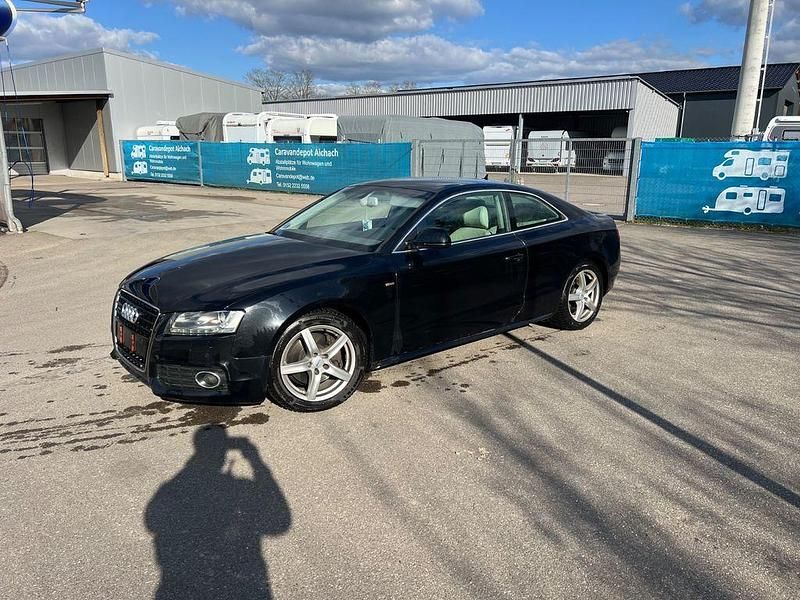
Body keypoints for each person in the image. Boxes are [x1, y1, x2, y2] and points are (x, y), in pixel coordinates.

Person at [145, 425, 291, 599]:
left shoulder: (171, 488)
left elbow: (152, 521)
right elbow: (280, 523)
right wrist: (254, 458)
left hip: (178, 587)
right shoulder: (241, 486)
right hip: (243, 585)